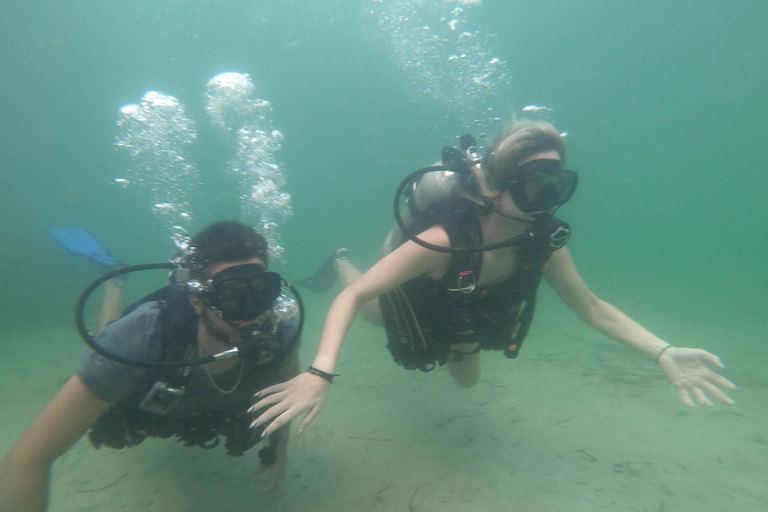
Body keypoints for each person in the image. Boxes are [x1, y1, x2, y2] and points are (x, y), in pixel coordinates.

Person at [249, 120, 736, 439]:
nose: (545, 200)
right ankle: (338, 259)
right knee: (374, 313)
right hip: (411, 293)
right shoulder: (442, 239)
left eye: (557, 186)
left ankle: (452, 332)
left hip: (463, 305)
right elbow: (356, 297)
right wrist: (319, 373)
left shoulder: (542, 241)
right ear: (495, 186)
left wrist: (663, 352)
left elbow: (591, 307)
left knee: (465, 383)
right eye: (533, 184)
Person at [0, 221, 301, 512]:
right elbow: (27, 460)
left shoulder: (280, 331)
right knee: (109, 348)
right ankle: (114, 278)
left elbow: (284, 399)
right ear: (198, 301)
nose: (254, 312)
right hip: (146, 377)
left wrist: (278, 450)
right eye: (231, 295)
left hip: (205, 407)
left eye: (263, 290)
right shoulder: (141, 335)